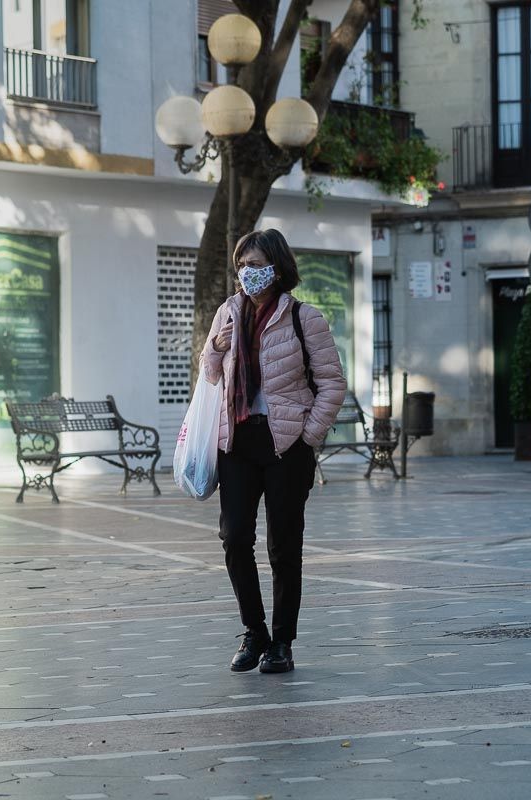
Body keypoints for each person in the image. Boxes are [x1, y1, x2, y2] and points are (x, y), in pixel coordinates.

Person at [199, 229, 345, 674]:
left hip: (286, 446)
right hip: (237, 441)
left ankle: (282, 641)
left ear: (277, 269)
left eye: (256, 264)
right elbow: (209, 373)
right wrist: (216, 347)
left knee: (283, 546)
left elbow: (332, 383)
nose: (248, 273)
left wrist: (308, 435)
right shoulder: (227, 312)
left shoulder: (305, 318)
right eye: (242, 265)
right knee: (234, 538)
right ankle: (254, 631)